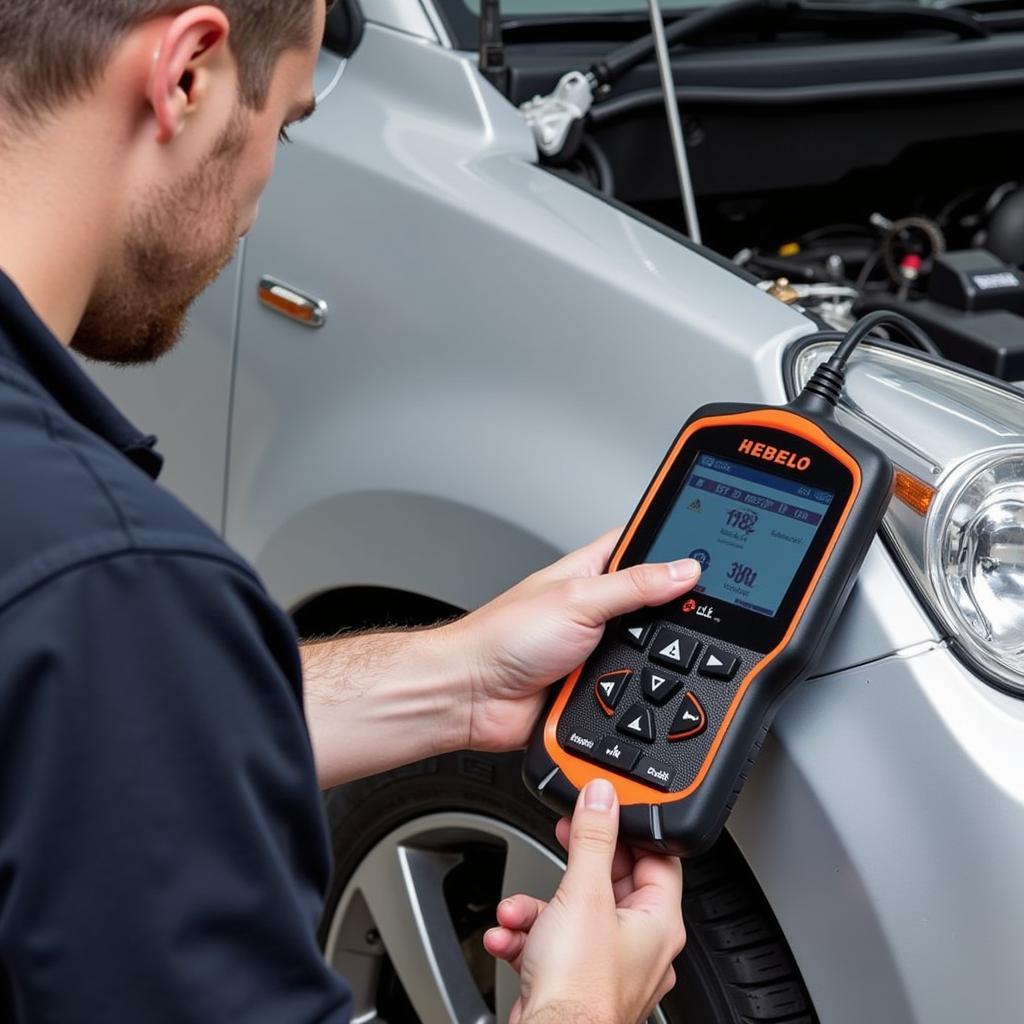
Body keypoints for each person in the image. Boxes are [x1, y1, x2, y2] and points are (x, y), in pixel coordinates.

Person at [0, 2, 698, 1021]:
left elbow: (69, 724)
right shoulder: (109, 578)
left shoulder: (82, 597)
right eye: (280, 124)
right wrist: (580, 1010)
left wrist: (456, 679)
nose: (260, 188)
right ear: (187, 74)